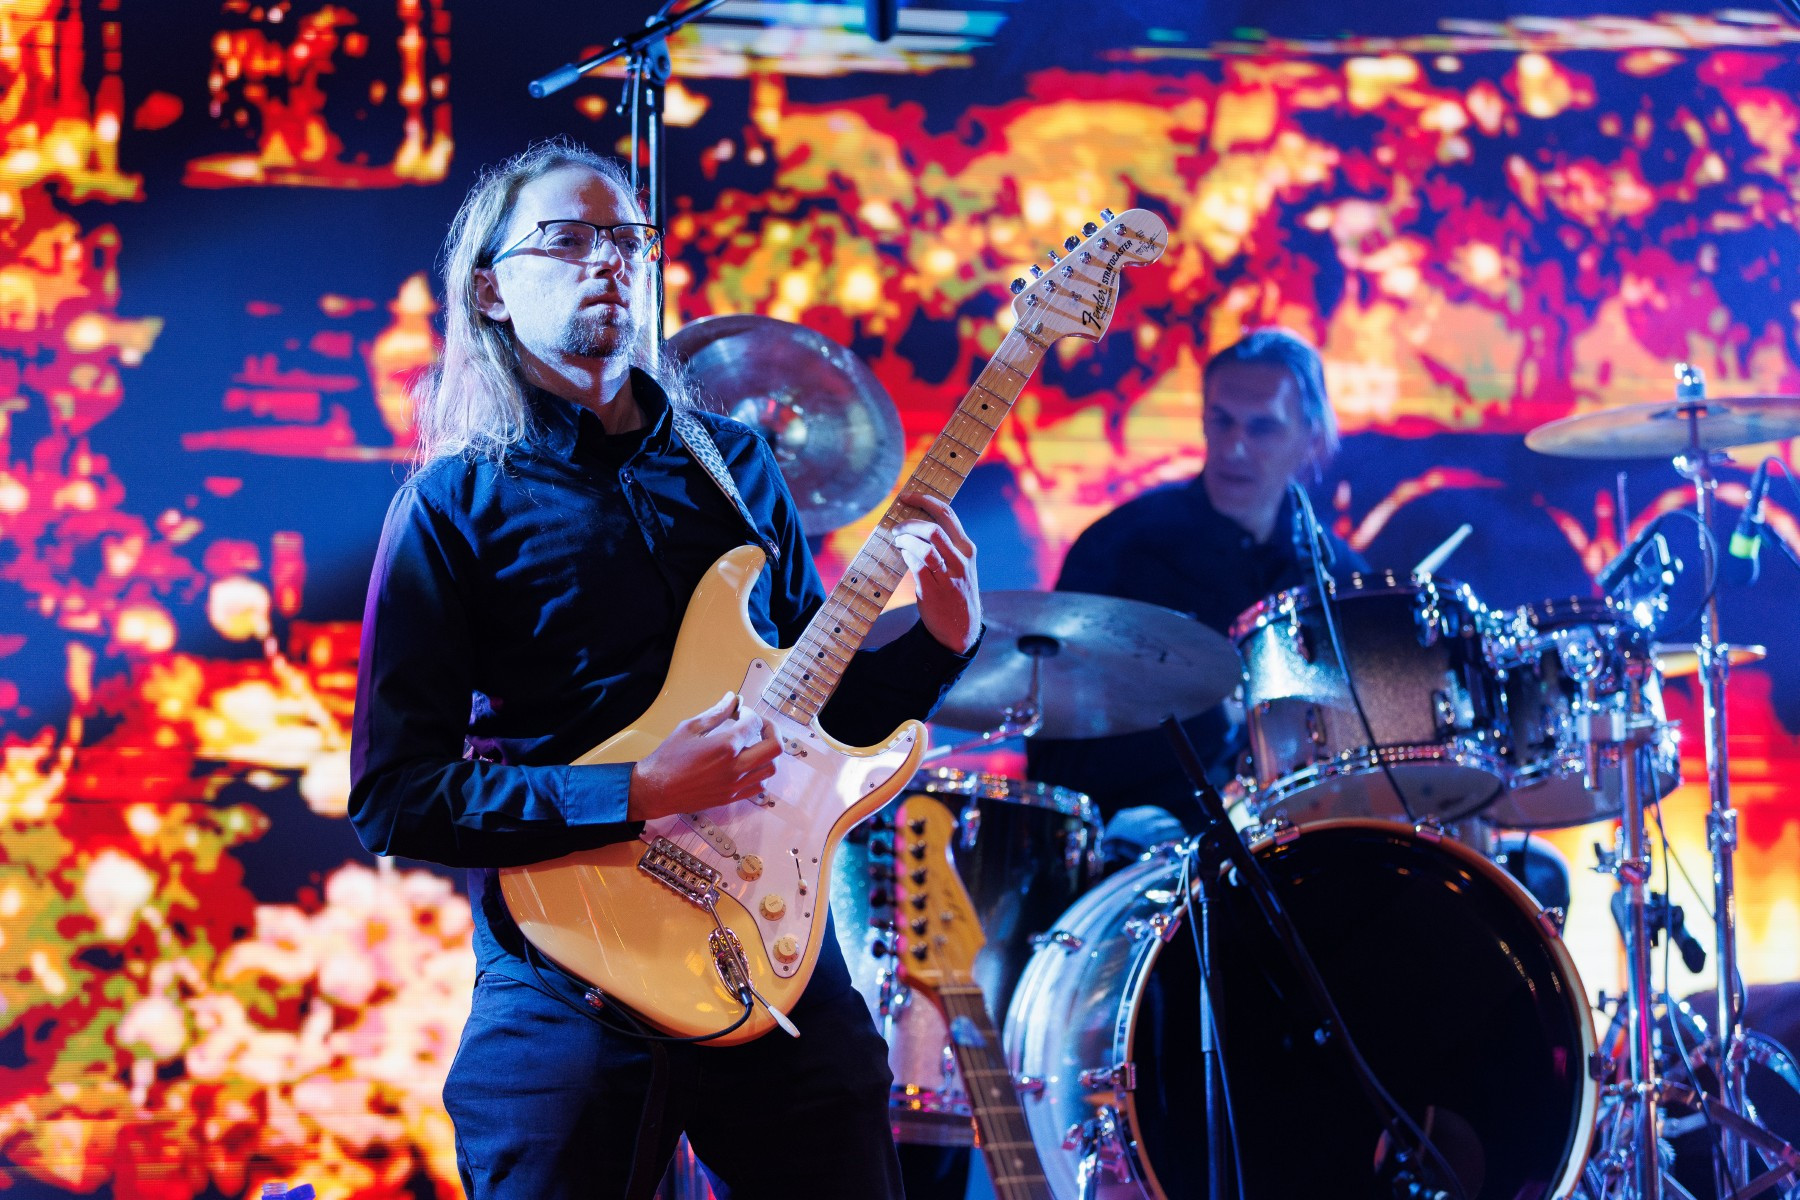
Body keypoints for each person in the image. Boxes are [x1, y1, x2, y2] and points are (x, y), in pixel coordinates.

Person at [348, 139, 982, 1200]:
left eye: (627, 239)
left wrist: (941, 641)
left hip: (770, 954)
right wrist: (637, 790)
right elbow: (394, 797)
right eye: (568, 238)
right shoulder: (451, 507)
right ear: (491, 290)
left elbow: (816, 718)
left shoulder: (737, 466)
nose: (608, 259)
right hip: (573, 971)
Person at [1027, 327, 1366, 854]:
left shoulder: (1338, 577)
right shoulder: (1119, 549)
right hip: (1143, 850)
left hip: (1301, 848)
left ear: (1312, 439)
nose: (1234, 447)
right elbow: (1056, 757)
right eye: (1221, 421)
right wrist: (1217, 713)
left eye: (1263, 427)